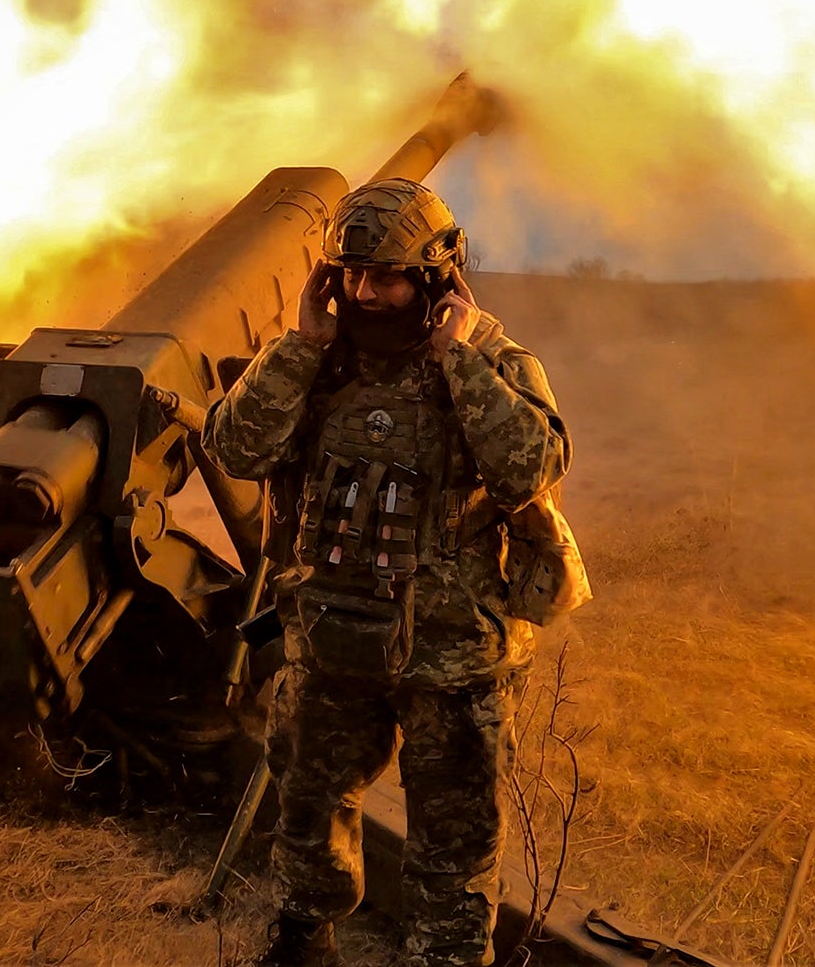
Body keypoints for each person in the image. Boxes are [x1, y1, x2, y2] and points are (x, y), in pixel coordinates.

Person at [201, 179, 583, 967]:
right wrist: (300, 345)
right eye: (350, 274)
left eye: (389, 276)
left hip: (452, 659)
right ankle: (306, 941)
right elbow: (236, 448)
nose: (367, 293)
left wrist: (457, 358)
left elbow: (533, 467)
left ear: (438, 277)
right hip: (330, 643)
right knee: (308, 812)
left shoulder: (493, 362)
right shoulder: (315, 362)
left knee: (453, 841)